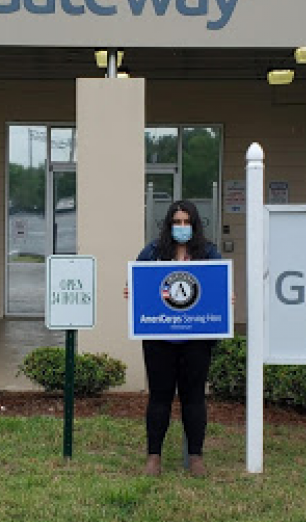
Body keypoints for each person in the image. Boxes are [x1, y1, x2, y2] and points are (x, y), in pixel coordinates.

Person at [128, 199, 223, 478]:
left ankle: (196, 457)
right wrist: (131, 291)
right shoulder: (153, 252)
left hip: (197, 340)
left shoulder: (209, 253)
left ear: (195, 225)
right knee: (160, 397)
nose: (182, 227)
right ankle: (153, 457)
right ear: (169, 225)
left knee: (194, 398)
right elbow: (138, 283)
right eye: (177, 222)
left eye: (186, 222)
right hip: (159, 340)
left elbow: (219, 287)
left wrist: (226, 297)